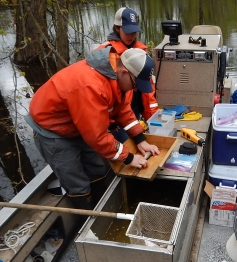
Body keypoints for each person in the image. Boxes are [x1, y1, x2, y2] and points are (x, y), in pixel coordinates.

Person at [26, 47, 160, 210]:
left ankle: (102, 205)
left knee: (96, 169)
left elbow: (123, 108)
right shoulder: (91, 86)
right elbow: (97, 136)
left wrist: (140, 139)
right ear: (124, 72)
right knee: (76, 182)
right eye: (135, 84)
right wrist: (129, 158)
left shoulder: (116, 77)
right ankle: (88, 219)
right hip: (54, 129)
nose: (136, 89)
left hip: (81, 124)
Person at [97, 7, 158, 124]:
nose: (131, 36)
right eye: (127, 32)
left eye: (134, 32)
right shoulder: (105, 53)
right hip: (119, 114)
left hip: (135, 108)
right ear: (117, 28)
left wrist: (153, 118)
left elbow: (149, 90)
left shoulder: (141, 51)